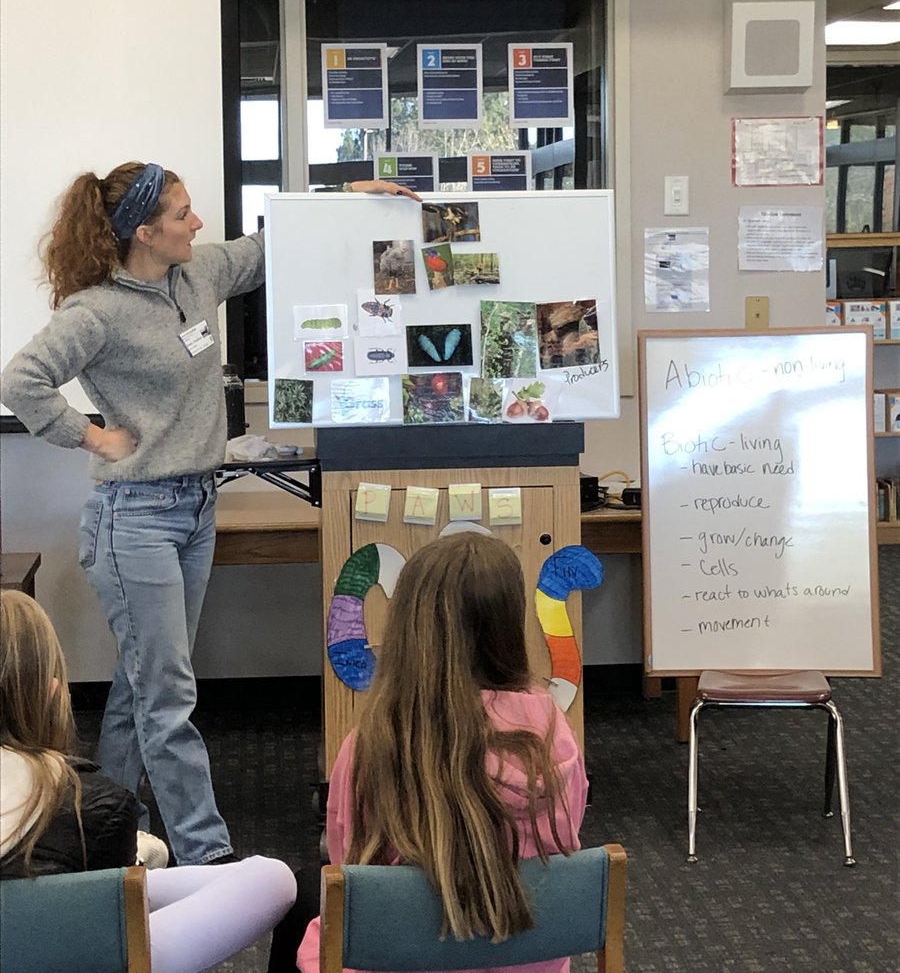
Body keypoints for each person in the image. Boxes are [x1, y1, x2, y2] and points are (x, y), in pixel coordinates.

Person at [0, 160, 419, 867]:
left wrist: (349, 197)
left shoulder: (198, 275)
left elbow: (271, 243)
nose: (198, 222)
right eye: (183, 213)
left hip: (194, 510)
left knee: (144, 685)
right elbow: (21, 380)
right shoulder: (96, 310)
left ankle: (99, 829)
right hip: (133, 518)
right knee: (168, 696)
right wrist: (92, 434)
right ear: (143, 230)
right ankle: (207, 854)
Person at [271, 531, 589, 973]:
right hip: (527, 954)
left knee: (309, 893)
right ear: (509, 623)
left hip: (398, 958)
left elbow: (350, 863)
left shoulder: (373, 740)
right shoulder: (554, 730)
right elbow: (566, 837)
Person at [0, 589, 297, 973]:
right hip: (60, 948)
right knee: (274, 879)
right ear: (52, 694)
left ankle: (143, 862)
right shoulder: (94, 808)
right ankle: (143, 861)